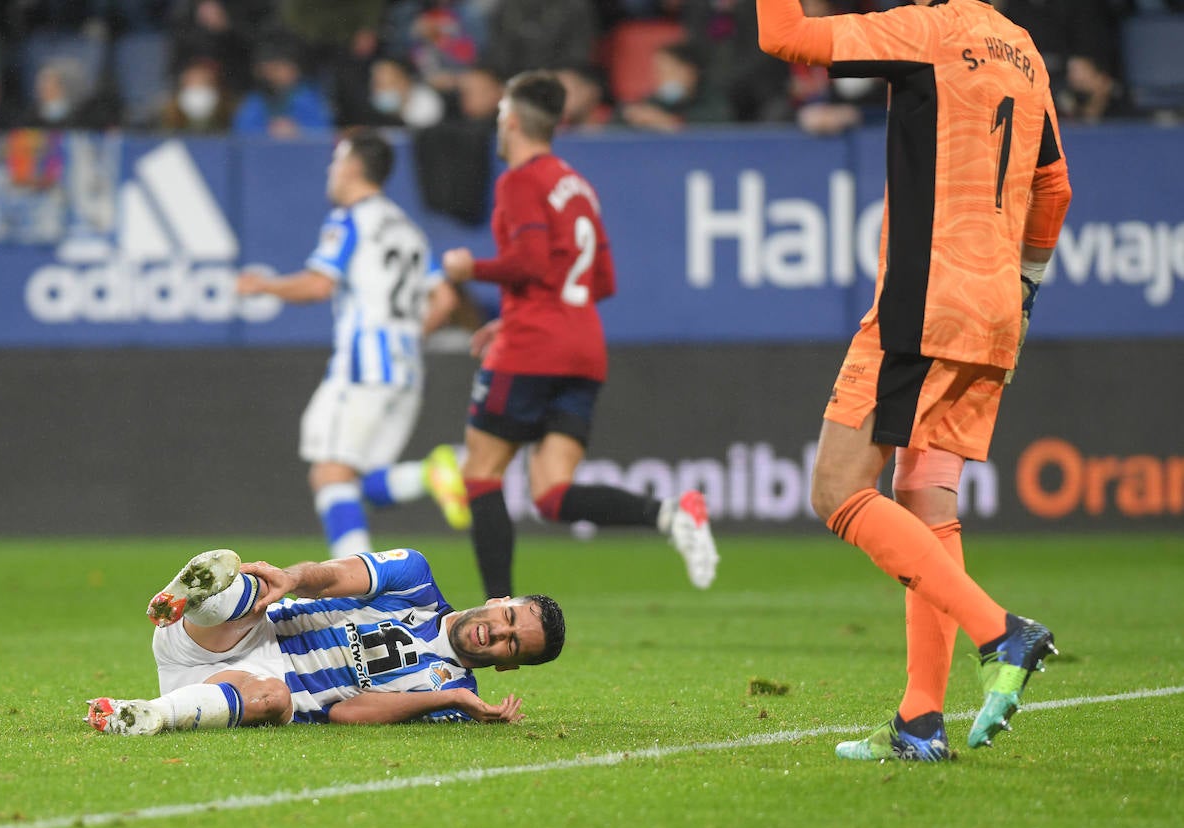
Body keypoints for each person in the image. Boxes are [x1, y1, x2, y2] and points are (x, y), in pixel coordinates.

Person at [756, 0, 1073, 760]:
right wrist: (1023, 290)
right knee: (925, 498)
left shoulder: (926, 29)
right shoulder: (1023, 49)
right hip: (997, 308)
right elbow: (1054, 188)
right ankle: (919, 721)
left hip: (924, 305)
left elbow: (784, 36)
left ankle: (1003, 632)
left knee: (837, 489)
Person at [440, 71, 721, 600]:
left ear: (514, 121)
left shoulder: (520, 180)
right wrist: (520, 309)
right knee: (550, 494)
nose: (498, 126)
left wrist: (467, 269)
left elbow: (530, 259)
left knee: (480, 473)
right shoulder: (576, 184)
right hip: (583, 345)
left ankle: (497, 608)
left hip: (534, 346)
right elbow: (602, 280)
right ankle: (669, 513)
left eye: (501, 115)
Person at [237, 129, 471, 558]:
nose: (331, 170)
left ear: (352, 166)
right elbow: (447, 298)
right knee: (359, 483)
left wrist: (263, 286)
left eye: (335, 161)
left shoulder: (350, 219)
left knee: (330, 474)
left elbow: (318, 285)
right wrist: (404, 335)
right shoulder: (408, 229)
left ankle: (355, 586)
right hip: (405, 368)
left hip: (363, 364)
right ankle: (429, 475)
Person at [86, 545, 564, 732]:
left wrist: (455, 697)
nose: (497, 632)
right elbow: (331, 578)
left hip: (245, 689)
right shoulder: (414, 578)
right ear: (501, 598)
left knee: (275, 698)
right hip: (242, 635)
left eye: (512, 645)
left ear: (507, 666)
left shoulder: (452, 698)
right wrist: (289, 579)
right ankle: (195, 599)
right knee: (259, 594)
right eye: (509, 617)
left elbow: (343, 712)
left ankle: (150, 714)